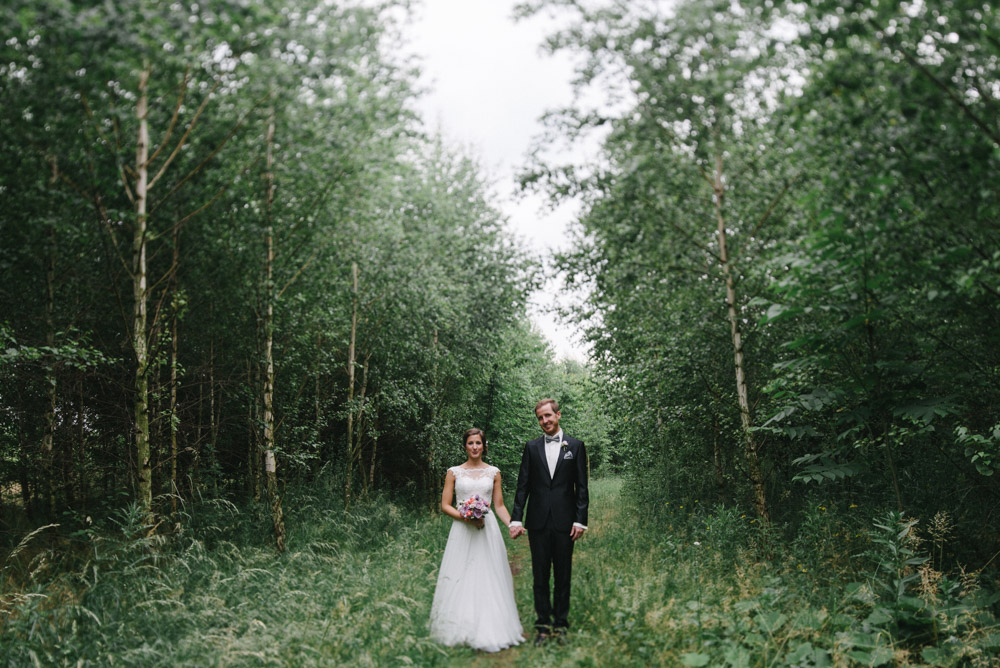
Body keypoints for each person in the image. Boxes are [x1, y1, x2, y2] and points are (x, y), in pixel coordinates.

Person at [429, 428, 524, 652]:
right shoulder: (454, 472)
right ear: (465, 446)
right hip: (462, 529)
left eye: (478, 443)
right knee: (460, 574)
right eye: (470, 443)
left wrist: (513, 524)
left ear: (484, 446)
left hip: (487, 529)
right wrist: (465, 517)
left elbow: (498, 505)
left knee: (488, 573)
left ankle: (492, 624)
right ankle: (459, 626)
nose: (474, 447)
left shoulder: (494, 472)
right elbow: (445, 505)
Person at [509, 398, 589, 645]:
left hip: (566, 523)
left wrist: (580, 521)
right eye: (540, 418)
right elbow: (523, 486)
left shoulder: (575, 446)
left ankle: (560, 626)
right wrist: (516, 518)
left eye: (548, 416)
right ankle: (543, 627)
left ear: (558, 415)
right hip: (538, 522)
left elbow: (582, 488)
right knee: (540, 576)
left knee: (563, 575)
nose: (544, 421)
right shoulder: (531, 447)